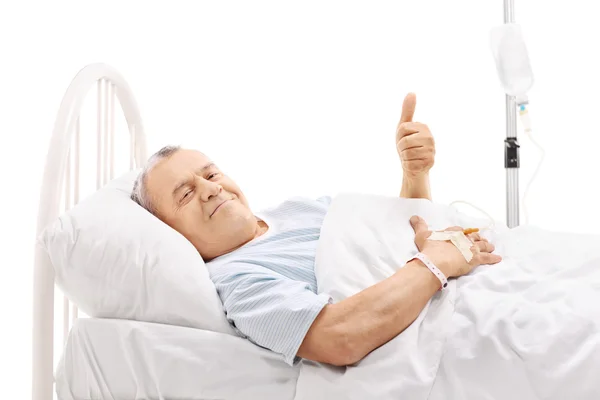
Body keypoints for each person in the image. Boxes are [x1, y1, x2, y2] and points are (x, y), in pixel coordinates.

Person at [130, 93, 502, 367]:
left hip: (484, 271)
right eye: (186, 193)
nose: (210, 188)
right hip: (470, 316)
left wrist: (414, 176)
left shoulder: (297, 209)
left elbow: (392, 238)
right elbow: (339, 338)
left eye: (210, 174)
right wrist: (434, 264)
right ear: (169, 232)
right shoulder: (237, 281)